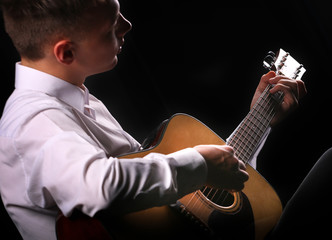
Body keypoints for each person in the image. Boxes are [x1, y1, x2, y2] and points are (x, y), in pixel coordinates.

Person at [0, 0, 310, 239]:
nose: (127, 25)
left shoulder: (75, 98)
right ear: (66, 53)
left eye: (119, 12)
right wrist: (200, 165)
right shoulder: (34, 120)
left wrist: (259, 121)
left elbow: (175, 199)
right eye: (110, 27)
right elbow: (97, 187)